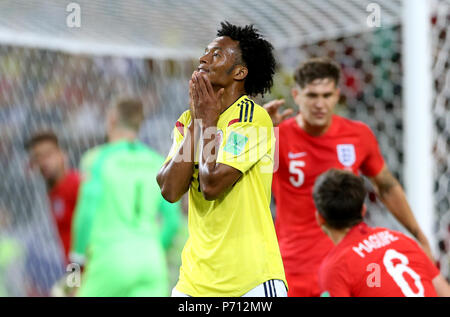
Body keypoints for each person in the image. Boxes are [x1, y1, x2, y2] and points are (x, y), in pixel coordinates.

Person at [265, 57, 433, 297]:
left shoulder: (358, 135)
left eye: (327, 95)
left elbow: (386, 186)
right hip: (293, 269)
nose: (320, 104)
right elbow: (235, 175)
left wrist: (417, 233)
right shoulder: (276, 137)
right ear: (296, 94)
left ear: (337, 95)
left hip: (351, 264)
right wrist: (257, 130)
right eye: (312, 95)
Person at [157, 21, 287, 297]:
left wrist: (206, 122)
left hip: (250, 282)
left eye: (216, 54)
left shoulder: (252, 118)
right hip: (193, 283)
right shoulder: (187, 120)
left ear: (240, 72)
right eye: (205, 52)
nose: (203, 58)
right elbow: (169, 190)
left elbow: (212, 184)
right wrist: (198, 123)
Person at [70, 98, 181, 297]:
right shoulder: (156, 161)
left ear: (112, 119)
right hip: (151, 262)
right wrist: (152, 247)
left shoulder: (96, 159)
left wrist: (73, 274)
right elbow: (173, 221)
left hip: (111, 260)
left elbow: (85, 216)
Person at [314, 169, 450, 297]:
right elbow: (444, 291)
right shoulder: (401, 240)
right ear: (363, 210)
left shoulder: (335, 268)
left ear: (320, 218)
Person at [26, 131, 81, 263]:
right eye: (37, 157)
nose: (43, 162)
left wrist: (75, 278)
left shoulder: (76, 185)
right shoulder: (54, 193)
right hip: (78, 270)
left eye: (48, 155)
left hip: (93, 271)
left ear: (63, 155)